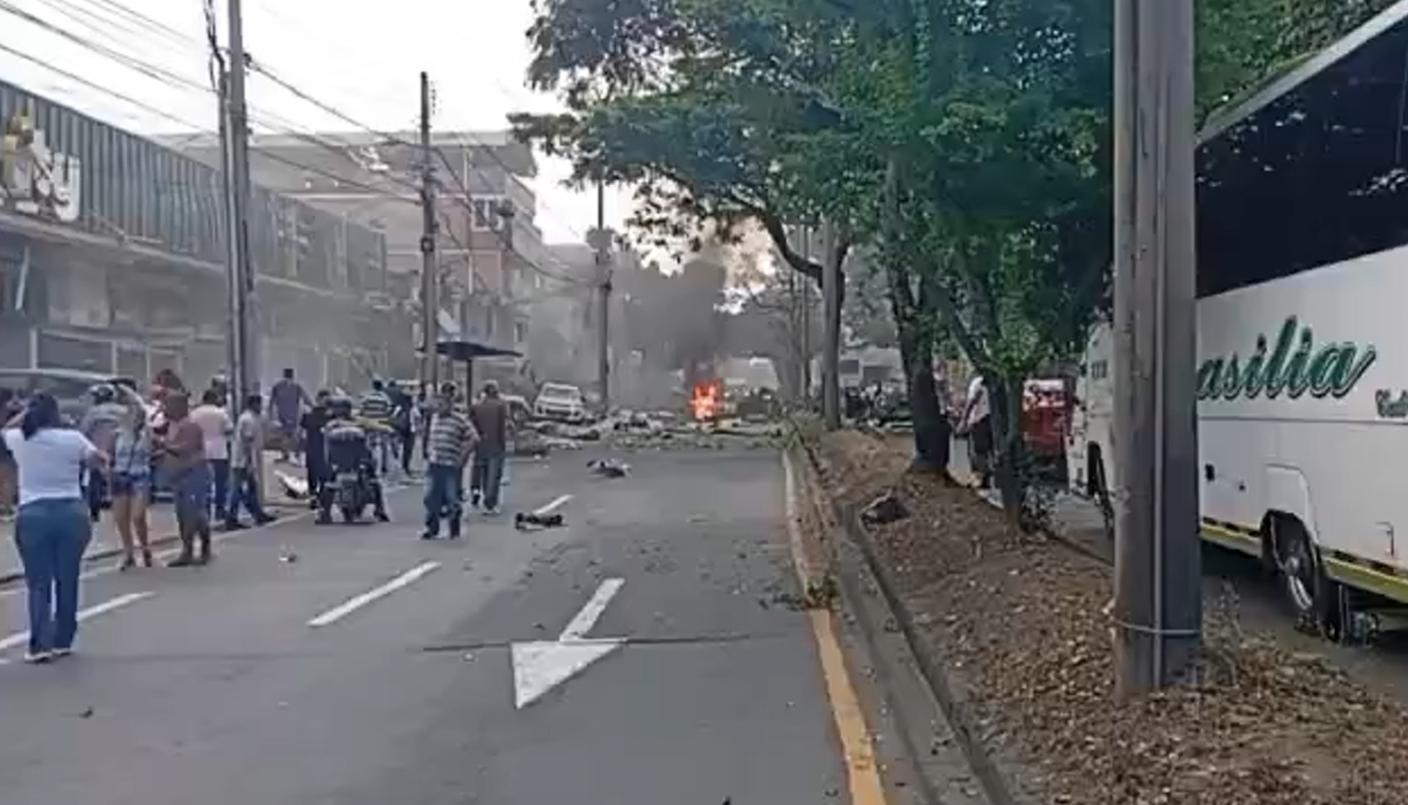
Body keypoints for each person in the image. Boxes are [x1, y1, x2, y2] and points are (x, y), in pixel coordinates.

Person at [3, 393, 108, 662]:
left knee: (38, 582)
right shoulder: (73, 439)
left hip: (34, 511)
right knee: (68, 577)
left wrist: (23, 415)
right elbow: (99, 460)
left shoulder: (19, 439)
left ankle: (40, 645)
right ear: (57, 414)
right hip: (71, 511)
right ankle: (63, 639)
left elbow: (4, 431)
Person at [159, 392, 213, 566]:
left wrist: (163, 445)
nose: (165, 409)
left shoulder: (190, 426)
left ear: (180, 407)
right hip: (179, 476)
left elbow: (185, 449)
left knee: (194, 514)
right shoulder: (171, 426)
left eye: (168, 405)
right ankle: (187, 550)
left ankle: (203, 547)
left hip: (193, 475)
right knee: (182, 515)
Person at [318, 396, 389, 524]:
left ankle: (325, 513)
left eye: (342, 408)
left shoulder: (335, 423)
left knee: (372, 479)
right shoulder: (344, 423)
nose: (341, 411)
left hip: (347, 461)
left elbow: (378, 427)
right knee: (373, 480)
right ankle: (379, 509)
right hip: (347, 461)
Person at [108, 384, 154, 570]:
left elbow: (140, 406)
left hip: (139, 475)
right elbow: (109, 454)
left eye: (136, 415)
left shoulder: (146, 434)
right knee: (121, 518)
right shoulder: (118, 434)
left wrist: (128, 392)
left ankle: (145, 548)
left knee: (137, 516)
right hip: (120, 475)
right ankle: (128, 553)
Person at [422, 391, 477, 540]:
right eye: (436, 404)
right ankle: (432, 528)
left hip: (451, 465)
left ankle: (454, 528)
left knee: (452, 497)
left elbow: (473, 438)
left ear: (450, 405)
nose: (438, 408)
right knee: (431, 498)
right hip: (435, 464)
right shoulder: (434, 419)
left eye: (441, 404)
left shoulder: (459, 420)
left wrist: (463, 457)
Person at [226, 394, 275, 531]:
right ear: (253, 404)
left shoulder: (254, 418)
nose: (261, 407)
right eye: (259, 404)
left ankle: (257, 513)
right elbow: (247, 441)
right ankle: (231, 517)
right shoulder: (248, 419)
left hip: (248, 459)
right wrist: (248, 462)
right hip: (243, 460)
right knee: (237, 490)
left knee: (251, 488)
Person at [79, 384, 126, 522]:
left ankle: (94, 512)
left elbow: (84, 431)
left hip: (97, 450)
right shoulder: (123, 411)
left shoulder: (93, 412)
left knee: (95, 480)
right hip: (120, 450)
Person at [190, 389, 234, 523]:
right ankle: (219, 510)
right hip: (219, 449)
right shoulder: (221, 413)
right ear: (214, 399)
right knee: (221, 483)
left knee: (203, 483)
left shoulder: (195, 413)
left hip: (201, 450)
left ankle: (205, 510)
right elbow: (229, 429)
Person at [469, 381, 510, 514]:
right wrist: (503, 445)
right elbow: (501, 428)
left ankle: (475, 492)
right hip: (495, 445)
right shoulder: (500, 406)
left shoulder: (477, 406)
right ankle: (490, 503)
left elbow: (471, 424)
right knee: (493, 475)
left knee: (480, 471)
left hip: (480, 444)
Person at [268, 368, 309, 463]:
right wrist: (314, 407)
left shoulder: (278, 386)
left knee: (285, 435)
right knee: (293, 435)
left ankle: (287, 454)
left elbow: (271, 401)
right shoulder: (296, 386)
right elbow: (306, 398)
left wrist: (270, 412)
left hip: (283, 415)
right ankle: (293, 453)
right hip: (292, 414)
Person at [960, 374, 993, 488]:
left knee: (978, 452)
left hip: (979, 419)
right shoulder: (997, 382)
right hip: (993, 419)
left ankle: (982, 479)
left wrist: (963, 421)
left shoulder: (978, 382)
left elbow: (972, 401)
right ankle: (987, 477)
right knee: (989, 450)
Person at [301, 390, 332, 508]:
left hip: (322, 449)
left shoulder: (329, 415)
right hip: (314, 448)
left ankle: (320, 497)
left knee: (321, 475)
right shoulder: (311, 414)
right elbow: (302, 432)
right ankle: (315, 497)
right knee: (313, 475)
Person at [358, 379, 394, 474]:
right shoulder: (385, 397)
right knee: (384, 445)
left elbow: (361, 409)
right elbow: (390, 409)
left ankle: (368, 463)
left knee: (367, 444)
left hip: (369, 424)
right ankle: (384, 466)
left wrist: (365, 415)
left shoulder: (367, 397)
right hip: (382, 424)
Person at [0, 387, 21, 522]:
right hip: (4, 445)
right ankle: (6, 509)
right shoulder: (5, 412)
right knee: (9, 478)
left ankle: (5, 506)